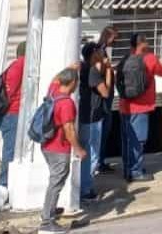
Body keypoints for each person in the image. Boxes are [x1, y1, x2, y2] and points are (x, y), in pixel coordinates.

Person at [118, 33, 162, 182]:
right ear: (143, 43)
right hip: (141, 107)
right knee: (138, 140)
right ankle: (136, 171)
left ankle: (127, 169)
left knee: (127, 139)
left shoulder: (125, 59)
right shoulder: (149, 58)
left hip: (124, 105)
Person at [39, 67, 85, 234]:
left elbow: (55, 78)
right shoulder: (66, 103)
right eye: (77, 81)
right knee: (56, 183)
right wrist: (78, 149)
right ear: (73, 83)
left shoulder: (53, 91)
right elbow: (69, 129)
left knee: (55, 181)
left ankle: (48, 211)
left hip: (47, 146)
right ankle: (46, 223)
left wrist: (71, 68)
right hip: (59, 148)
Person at [78, 42, 110, 201]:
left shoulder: (82, 68)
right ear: (93, 54)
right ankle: (86, 189)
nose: (101, 53)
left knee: (87, 152)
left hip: (84, 115)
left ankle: (84, 186)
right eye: (98, 51)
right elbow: (105, 92)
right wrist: (109, 72)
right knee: (92, 153)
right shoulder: (92, 71)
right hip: (93, 117)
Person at [0, 41, 26, 188]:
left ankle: (7, 183)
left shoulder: (15, 65)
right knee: (10, 150)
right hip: (12, 114)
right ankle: (4, 184)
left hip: (9, 114)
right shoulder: (21, 65)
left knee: (11, 150)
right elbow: (9, 92)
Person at [95, 26, 119, 174]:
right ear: (108, 37)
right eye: (113, 38)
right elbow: (102, 72)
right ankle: (99, 162)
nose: (115, 41)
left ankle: (100, 161)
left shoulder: (102, 51)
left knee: (105, 130)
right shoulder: (100, 51)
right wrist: (110, 70)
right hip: (104, 99)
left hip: (107, 99)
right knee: (103, 130)